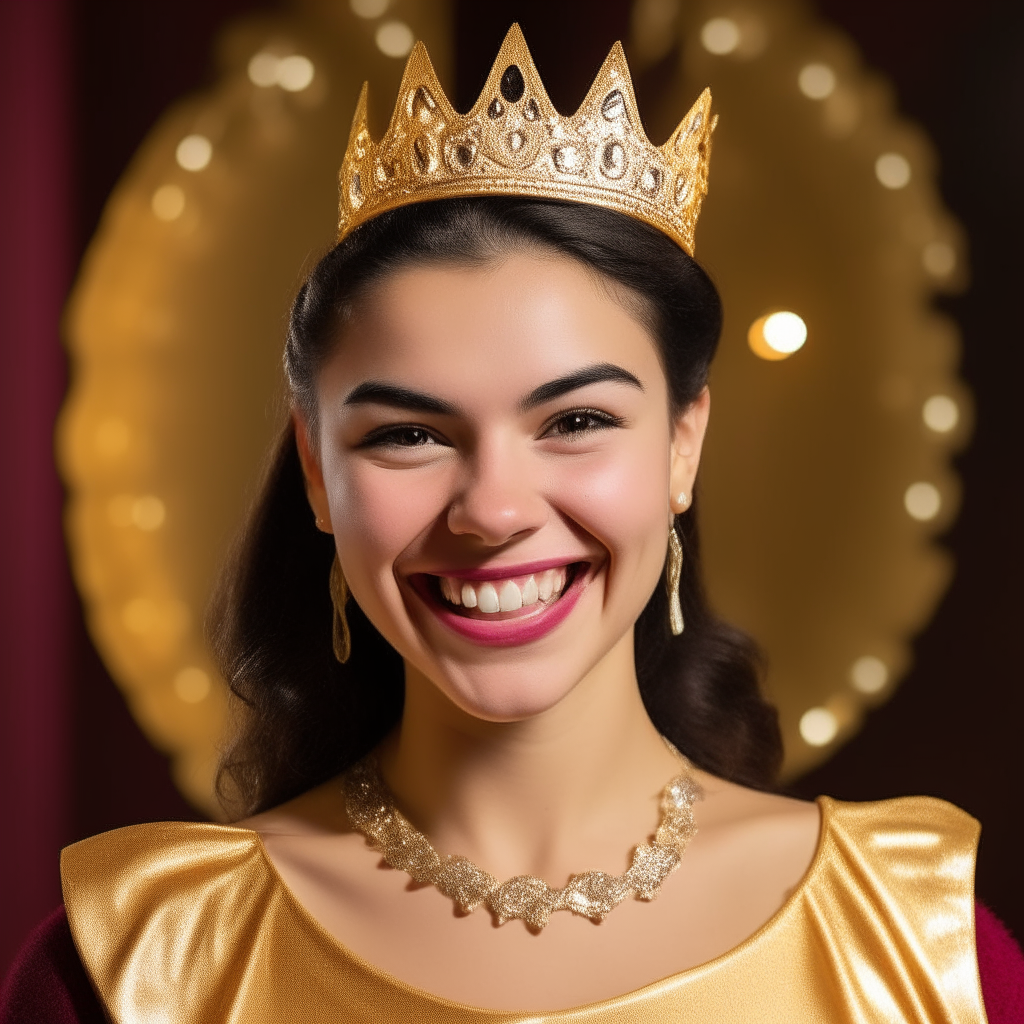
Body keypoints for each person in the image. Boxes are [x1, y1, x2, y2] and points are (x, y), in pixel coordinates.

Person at [2, 25, 1022, 1024]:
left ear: (681, 446)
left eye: (575, 421)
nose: (492, 508)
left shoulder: (917, 950)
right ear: (317, 471)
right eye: (407, 433)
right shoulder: (140, 967)